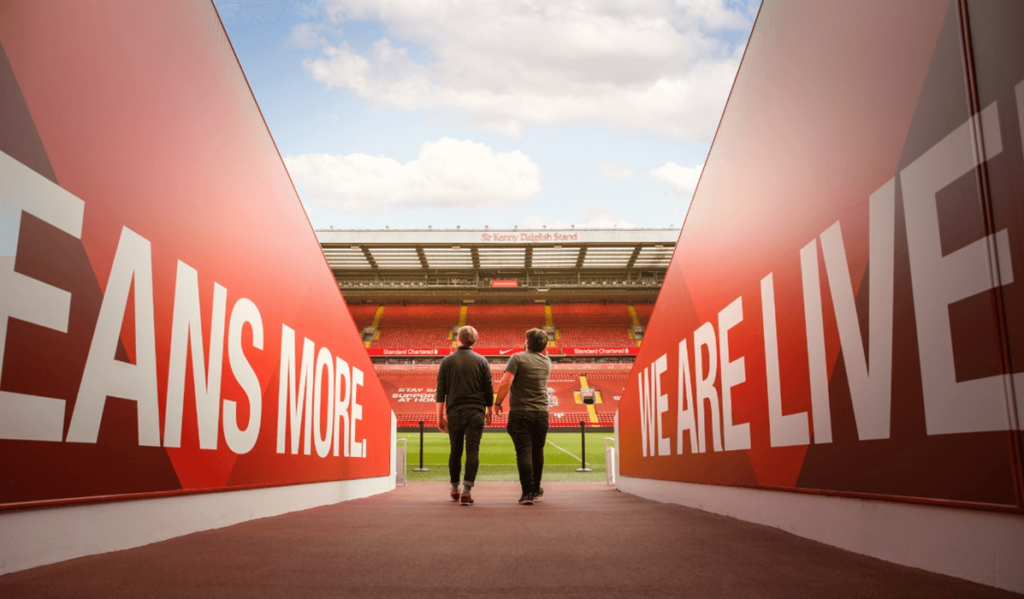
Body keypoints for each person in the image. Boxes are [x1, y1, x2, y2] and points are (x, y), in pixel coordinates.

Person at [436, 325, 493, 506]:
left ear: (458, 338)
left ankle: (454, 487)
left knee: (456, 450)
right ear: (473, 340)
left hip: (455, 412)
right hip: (476, 411)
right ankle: (467, 490)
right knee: (472, 450)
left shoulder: (447, 361)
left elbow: (441, 392)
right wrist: (489, 411)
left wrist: (439, 417)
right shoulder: (482, 361)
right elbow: (488, 390)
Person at [493, 328, 551, 505]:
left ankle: (526, 492)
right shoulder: (547, 361)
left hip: (521, 412)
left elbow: (506, 382)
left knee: (524, 452)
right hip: (542, 412)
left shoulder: (517, 358)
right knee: (537, 452)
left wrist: (497, 402)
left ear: (527, 342)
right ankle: (534, 489)